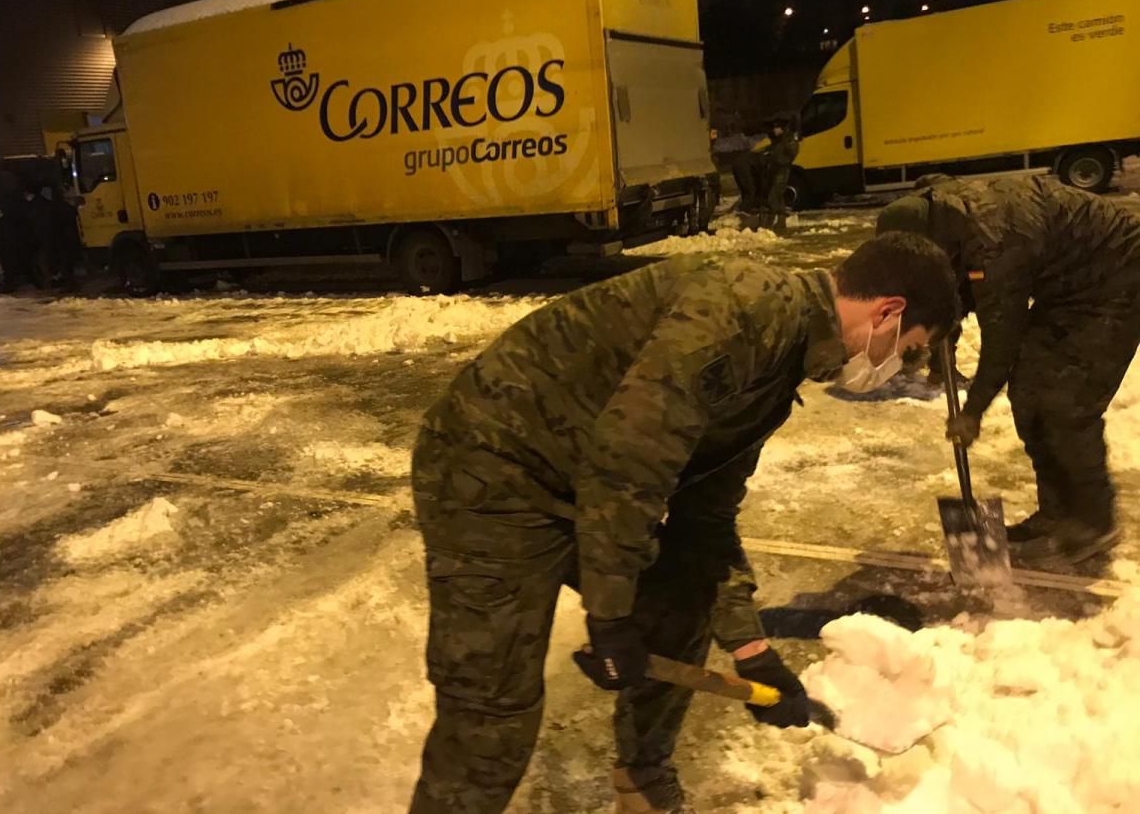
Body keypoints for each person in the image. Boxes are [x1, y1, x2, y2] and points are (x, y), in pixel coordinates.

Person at [409, 233, 960, 814]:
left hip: (582, 479)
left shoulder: (780, 360)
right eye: (910, 348)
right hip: (493, 469)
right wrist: (610, 614)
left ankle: (641, 778)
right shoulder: (743, 310)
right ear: (888, 313)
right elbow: (627, 462)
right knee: (494, 710)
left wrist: (751, 650)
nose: (898, 365)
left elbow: (706, 520)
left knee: (681, 597)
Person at [878, 174, 1140, 568]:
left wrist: (973, 411)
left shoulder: (995, 242)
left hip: (1120, 278)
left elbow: (1003, 337)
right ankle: (1055, 515)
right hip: (1065, 287)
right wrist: (935, 327)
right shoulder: (941, 216)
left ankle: (1093, 521)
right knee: (1028, 393)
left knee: (1066, 404)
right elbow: (955, 285)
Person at [762, 118, 799, 232]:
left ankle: (771, 220)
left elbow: (792, 153)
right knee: (778, 196)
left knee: (773, 197)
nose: (774, 130)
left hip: (782, 170)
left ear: (782, 129)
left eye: (777, 128)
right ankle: (781, 221)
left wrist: (781, 161)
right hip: (774, 170)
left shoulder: (787, 140)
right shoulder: (777, 141)